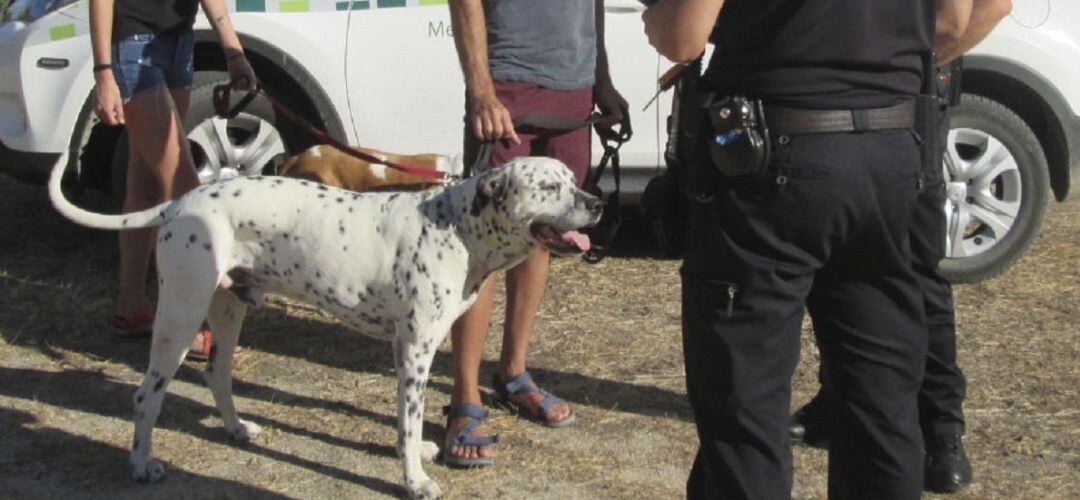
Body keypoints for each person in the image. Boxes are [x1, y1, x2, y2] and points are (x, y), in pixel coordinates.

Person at [645, 0, 935, 497]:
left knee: (746, 404)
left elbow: (682, 36)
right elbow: (977, 12)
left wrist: (658, 16)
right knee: (881, 399)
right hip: (891, 144)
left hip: (777, 152)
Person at [789, 0, 1013, 494]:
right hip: (871, 105)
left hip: (903, 105)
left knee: (908, 271)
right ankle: (841, 401)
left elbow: (989, 8)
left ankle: (941, 432)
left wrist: (903, 62)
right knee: (851, 273)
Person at [443, 0, 629, 467]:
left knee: (541, 231)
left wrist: (601, 79)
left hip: (574, 87)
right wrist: (481, 89)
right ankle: (465, 398)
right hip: (508, 84)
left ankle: (513, 374)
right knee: (484, 244)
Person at [91, 0, 256, 359]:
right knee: (185, 189)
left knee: (147, 184)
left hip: (178, 42)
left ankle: (130, 308)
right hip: (133, 45)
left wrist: (234, 52)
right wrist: (104, 71)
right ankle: (188, 323)